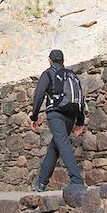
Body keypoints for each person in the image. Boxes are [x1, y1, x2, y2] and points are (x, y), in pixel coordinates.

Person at [30, 49, 86, 191]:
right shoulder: (71, 75)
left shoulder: (48, 73)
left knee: (62, 143)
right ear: (63, 60)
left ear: (50, 61)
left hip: (55, 113)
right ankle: (42, 182)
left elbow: (39, 95)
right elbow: (80, 97)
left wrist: (34, 117)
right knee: (56, 146)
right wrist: (79, 121)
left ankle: (77, 181)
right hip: (71, 115)